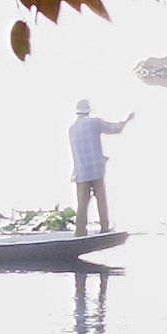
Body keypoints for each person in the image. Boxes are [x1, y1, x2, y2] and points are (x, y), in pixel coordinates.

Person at [68, 98, 133, 235]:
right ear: (88, 111)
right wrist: (127, 120)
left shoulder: (72, 129)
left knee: (82, 205)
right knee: (101, 200)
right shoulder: (94, 123)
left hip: (80, 172)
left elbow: (79, 151)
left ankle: (80, 232)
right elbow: (115, 129)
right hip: (96, 170)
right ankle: (104, 229)